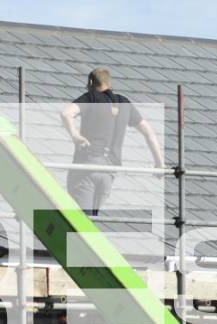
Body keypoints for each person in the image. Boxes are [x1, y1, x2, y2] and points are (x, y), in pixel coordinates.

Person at [61, 67, 164, 216]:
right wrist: (159, 163)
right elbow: (149, 132)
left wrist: (75, 135)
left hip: (87, 166)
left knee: (79, 222)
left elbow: (66, 113)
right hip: (110, 172)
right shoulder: (124, 103)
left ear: (90, 82)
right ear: (108, 83)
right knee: (91, 222)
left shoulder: (91, 98)